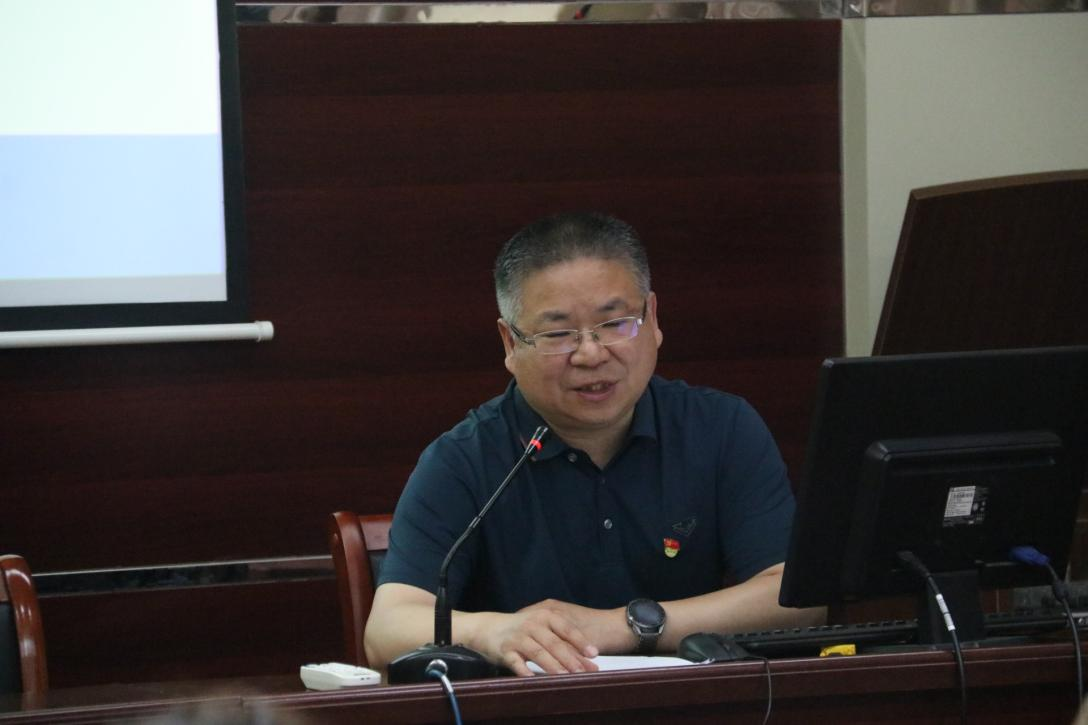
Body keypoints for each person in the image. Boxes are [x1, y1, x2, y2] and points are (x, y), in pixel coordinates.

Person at [364, 212, 825, 676]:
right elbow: (386, 629)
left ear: (653, 318)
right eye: (557, 334)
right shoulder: (463, 459)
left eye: (615, 323)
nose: (590, 353)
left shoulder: (721, 429)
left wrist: (627, 625)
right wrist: (493, 632)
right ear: (510, 343)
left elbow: (796, 600)